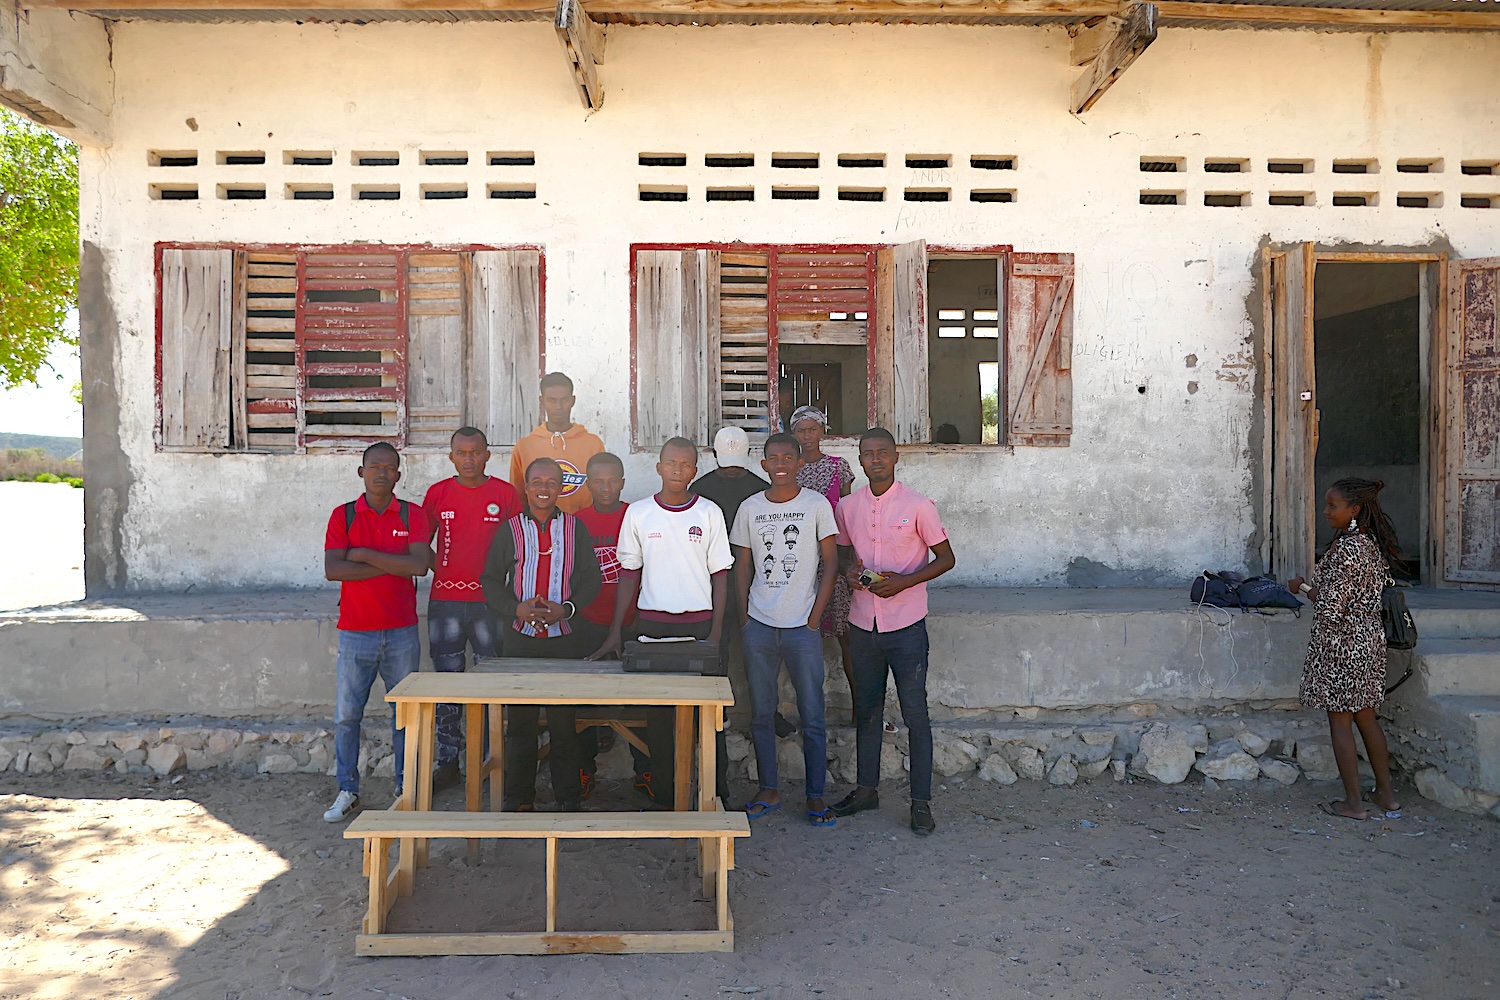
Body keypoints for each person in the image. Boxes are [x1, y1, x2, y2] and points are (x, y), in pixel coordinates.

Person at [590, 437, 734, 806]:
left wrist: (716, 632)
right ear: (659, 467)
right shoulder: (639, 514)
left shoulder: (708, 512)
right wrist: (616, 632)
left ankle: (718, 791)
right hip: (652, 627)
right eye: (671, 463)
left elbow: (721, 575)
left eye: (685, 464)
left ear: (694, 471)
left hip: (700, 627)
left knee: (710, 716)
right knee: (659, 716)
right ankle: (666, 793)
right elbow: (628, 574)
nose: (677, 470)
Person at [831, 427, 956, 836]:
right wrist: (850, 572)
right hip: (862, 625)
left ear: (896, 456)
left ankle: (921, 802)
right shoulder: (848, 506)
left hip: (905, 626)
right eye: (868, 454)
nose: (876, 459)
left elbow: (946, 559)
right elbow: (847, 553)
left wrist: (904, 582)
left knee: (914, 714)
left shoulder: (919, 506)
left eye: (883, 452)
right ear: (861, 460)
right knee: (867, 713)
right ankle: (867, 790)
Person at [480, 457, 602, 811]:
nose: (544, 487)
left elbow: (590, 581)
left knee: (565, 723)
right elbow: (490, 580)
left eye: (552, 481)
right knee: (521, 724)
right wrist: (515, 608)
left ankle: (568, 798)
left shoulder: (575, 529)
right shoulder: (510, 529)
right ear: (527, 487)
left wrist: (567, 609)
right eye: (537, 481)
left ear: (562, 486)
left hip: (565, 639)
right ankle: (519, 799)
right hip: (519, 639)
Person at [730, 433, 839, 826]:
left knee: (812, 714)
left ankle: (814, 795)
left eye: (787, 457)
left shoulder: (816, 505)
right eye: (772, 458)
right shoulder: (750, 507)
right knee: (761, 713)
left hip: (801, 627)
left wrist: (814, 619)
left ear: (799, 464)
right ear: (763, 465)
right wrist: (744, 616)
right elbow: (742, 565)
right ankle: (769, 788)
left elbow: (831, 562)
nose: (780, 464)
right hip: (759, 624)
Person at [321, 442, 433, 823]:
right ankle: (348, 789)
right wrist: (393, 564)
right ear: (362, 472)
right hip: (356, 632)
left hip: (402, 631)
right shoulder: (344, 516)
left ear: (399, 475)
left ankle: (405, 788)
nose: (382, 473)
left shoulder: (413, 514)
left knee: (404, 716)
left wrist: (365, 555)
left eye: (389, 467)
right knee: (346, 716)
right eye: (375, 466)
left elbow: (419, 566)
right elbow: (334, 570)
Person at [1288, 477, 1403, 822]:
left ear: (1354, 510)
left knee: (1340, 721)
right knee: (1366, 717)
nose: (1325, 512)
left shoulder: (1347, 550)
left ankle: (1353, 804)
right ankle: (1386, 795)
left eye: (1332, 506)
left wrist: (1302, 587)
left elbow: (1329, 607)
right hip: (1369, 641)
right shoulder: (1368, 544)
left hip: (1342, 645)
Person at [421, 427, 523, 791]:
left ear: (487, 455)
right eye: (461, 453)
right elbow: (421, 542)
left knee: (490, 684)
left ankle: (489, 762)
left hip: (491, 605)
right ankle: (448, 761)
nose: (468, 459)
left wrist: (502, 587)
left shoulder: (505, 495)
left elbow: (520, 545)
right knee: (448, 684)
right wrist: (444, 569)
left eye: (475, 452)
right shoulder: (438, 494)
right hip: (445, 604)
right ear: (451, 457)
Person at [691, 427, 786, 733]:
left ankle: (769, 713)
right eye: (726, 464)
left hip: (755, 580)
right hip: (711, 581)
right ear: (715, 456)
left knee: (759, 650)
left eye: (737, 464)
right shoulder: (699, 488)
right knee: (716, 648)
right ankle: (716, 715)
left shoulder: (762, 488)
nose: (732, 472)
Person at [573, 451, 637, 797]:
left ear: (623, 483)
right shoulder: (576, 521)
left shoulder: (636, 516)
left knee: (642, 704)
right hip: (587, 623)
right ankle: (584, 772)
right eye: (598, 481)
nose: (606, 487)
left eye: (613, 480)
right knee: (582, 704)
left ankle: (646, 772)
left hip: (632, 623)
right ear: (587, 483)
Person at [789, 405, 858, 722]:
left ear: (823, 431)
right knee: (806, 636)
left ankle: (861, 709)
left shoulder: (838, 467)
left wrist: (850, 559)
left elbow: (845, 515)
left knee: (847, 637)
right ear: (794, 434)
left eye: (812, 429)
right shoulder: (789, 468)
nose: (807, 435)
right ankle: (810, 712)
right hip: (800, 561)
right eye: (801, 430)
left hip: (834, 558)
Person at [509, 372, 605, 514]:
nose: (558, 406)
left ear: (573, 400)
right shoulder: (524, 446)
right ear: (542, 401)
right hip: (539, 530)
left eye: (564, 400)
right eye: (552, 400)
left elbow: (602, 493)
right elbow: (518, 498)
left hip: (584, 529)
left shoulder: (593, 444)